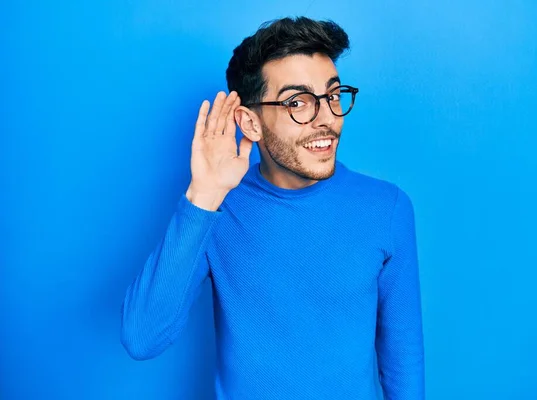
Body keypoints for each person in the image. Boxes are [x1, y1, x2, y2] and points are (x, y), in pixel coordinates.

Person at [121, 16, 425, 400]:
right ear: (250, 122)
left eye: (332, 96)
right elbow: (142, 337)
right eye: (297, 102)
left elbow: (404, 360)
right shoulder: (216, 209)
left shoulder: (387, 207)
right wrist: (203, 195)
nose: (326, 119)